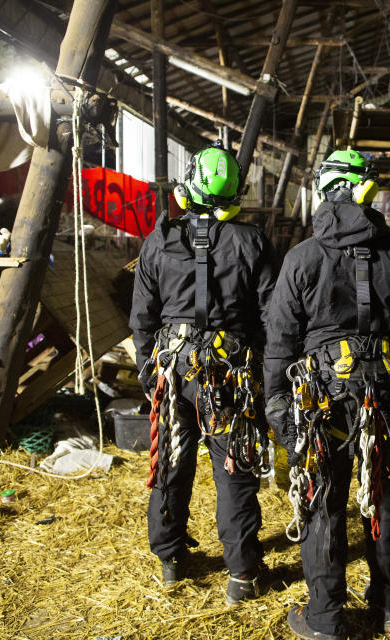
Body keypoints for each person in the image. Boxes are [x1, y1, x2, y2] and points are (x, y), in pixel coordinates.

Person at [264, 149, 390, 639]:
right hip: (385, 399)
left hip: (323, 402)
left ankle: (324, 621)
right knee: (384, 500)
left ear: (326, 191)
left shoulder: (302, 257)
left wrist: (277, 405)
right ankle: (387, 605)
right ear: (367, 191)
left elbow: (279, 342)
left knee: (324, 503)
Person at [130, 140, 279, 604]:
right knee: (234, 470)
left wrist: (147, 372)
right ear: (235, 193)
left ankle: (171, 561)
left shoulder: (158, 241)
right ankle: (241, 575)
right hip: (228, 377)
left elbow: (142, 319)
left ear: (186, 189)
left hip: (172, 373)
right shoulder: (252, 242)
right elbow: (272, 317)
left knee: (171, 465)